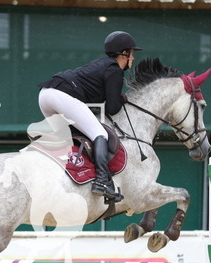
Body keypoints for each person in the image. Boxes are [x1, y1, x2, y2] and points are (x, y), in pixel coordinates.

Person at [38, 31, 142, 201]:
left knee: (72, 140)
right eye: (131, 54)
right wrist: (122, 98)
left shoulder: (102, 64)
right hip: (61, 96)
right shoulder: (114, 69)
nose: (133, 58)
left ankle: (73, 179)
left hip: (45, 95)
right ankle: (102, 182)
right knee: (100, 134)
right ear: (123, 53)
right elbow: (113, 108)